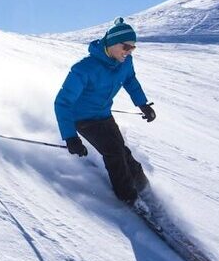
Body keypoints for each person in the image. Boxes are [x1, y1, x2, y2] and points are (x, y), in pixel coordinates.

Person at [54, 17, 156, 205]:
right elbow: (62, 103)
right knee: (114, 153)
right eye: (126, 47)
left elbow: (130, 80)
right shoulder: (84, 68)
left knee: (125, 154)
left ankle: (145, 190)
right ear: (112, 43)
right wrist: (70, 137)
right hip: (83, 119)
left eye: (133, 48)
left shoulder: (125, 62)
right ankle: (128, 197)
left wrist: (143, 104)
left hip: (104, 116)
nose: (129, 51)